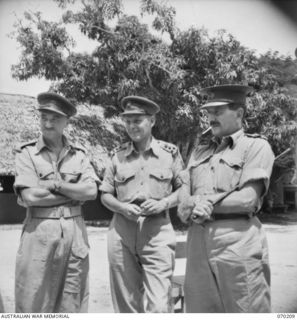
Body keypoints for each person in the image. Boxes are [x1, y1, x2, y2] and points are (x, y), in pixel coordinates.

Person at [178, 84, 275, 313]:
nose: (211, 118)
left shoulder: (256, 146)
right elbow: (183, 205)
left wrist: (203, 202)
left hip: (237, 243)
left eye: (218, 112)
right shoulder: (199, 151)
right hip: (197, 244)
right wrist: (192, 203)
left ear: (239, 113)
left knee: (246, 309)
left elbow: (247, 200)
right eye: (209, 113)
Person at [13, 92, 99, 313]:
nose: (48, 123)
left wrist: (57, 186)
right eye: (44, 117)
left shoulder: (79, 155)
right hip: (39, 233)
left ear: (66, 122)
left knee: (72, 300)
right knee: (33, 298)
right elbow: (30, 197)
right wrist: (73, 194)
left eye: (55, 119)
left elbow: (90, 191)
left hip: (75, 236)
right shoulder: (27, 153)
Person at [100, 96, 184, 313]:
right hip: (121, 232)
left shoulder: (169, 154)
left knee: (159, 305)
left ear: (152, 121)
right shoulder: (117, 156)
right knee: (126, 304)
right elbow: (105, 195)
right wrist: (122, 207)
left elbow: (184, 189)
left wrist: (164, 203)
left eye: (137, 120)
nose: (132, 126)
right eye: (127, 121)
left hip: (157, 231)